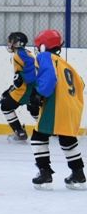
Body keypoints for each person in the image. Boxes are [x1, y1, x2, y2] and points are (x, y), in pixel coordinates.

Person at [26, 29, 85, 190]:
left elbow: (49, 78)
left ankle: (44, 173)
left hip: (56, 106)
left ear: (43, 46)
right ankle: (78, 174)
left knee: (38, 136)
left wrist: (38, 95)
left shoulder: (44, 57)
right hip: (73, 107)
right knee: (67, 139)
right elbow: (81, 83)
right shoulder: (65, 63)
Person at [0, 31, 38, 143]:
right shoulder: (23, 53)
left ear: (18, 43)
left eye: (11, 41)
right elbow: (22, 74)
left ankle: (19, 132)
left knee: (6, 105)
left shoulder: (20, 54)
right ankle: (51, 129)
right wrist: (12, 87)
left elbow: (30, 71)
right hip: (28, 88)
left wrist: (21, 80)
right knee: (34, 110)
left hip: (26, 90)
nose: (9, 43)